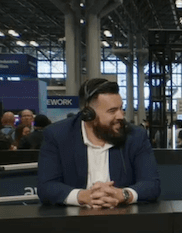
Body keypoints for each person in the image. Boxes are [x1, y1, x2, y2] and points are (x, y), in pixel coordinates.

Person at [37, 78, 160, 208]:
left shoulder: (135, 135)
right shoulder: (57, 135)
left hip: (123, 219)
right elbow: (46, 187)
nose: (120, 116)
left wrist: (123, 195)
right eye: (112, 111)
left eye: (121, 108)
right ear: (88, 114)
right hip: (73, 221)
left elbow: (151, 184)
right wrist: (83, 196)